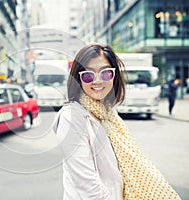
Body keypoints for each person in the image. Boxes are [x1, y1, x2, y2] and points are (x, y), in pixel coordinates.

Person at [53, 43, 181, 199]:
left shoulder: (108, 111)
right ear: (78, 79)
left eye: (105, 73)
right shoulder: (72, 117)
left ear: (114, 76)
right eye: (88, 75)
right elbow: (86, 186)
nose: (98, 81)